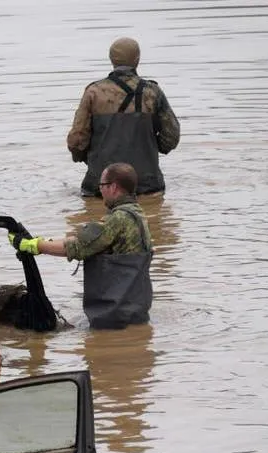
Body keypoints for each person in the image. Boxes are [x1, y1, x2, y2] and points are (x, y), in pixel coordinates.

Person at [9, 162, 153, 329]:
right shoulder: (137, 213)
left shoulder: (118, 219)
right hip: (136, 308)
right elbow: (84, 240)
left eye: (102, 185)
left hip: (115, 314)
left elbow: (78, 248)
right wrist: (41, 241)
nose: (100, 190)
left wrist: (34, 246)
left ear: (113, 187)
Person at [67, 37, 180, 197]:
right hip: (147, 186)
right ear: (137, 60)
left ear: (111, 59)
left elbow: (77, 140)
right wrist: (153, 147)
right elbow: (171, 137)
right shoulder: (153, 92)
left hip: (102, 187)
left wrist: (85, 157)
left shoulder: (93, 92)